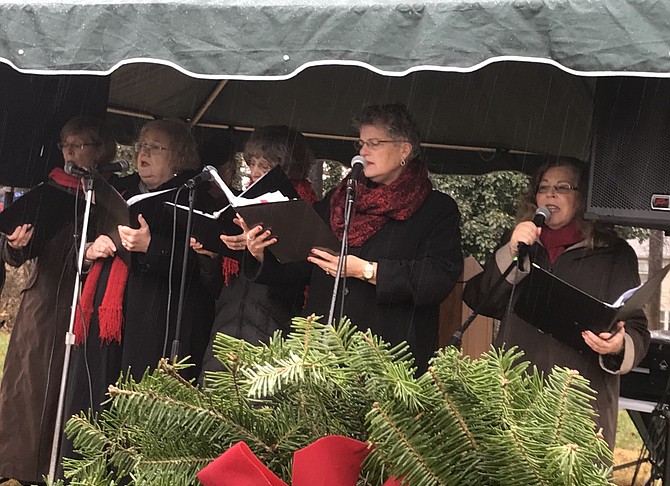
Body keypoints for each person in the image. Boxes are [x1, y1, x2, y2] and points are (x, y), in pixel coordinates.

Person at [243, 104, 464, 373]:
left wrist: (368, 271)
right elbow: (302, 265)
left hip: (389, 358)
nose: (363, 152)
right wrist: (261, 253)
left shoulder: (436, 209)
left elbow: (437, 279)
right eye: (361, 143)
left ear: (404, 150)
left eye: (374, 143)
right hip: (321, 353)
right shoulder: (338, 201)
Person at [463, 157, 650, 449]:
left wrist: (618, 346)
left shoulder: (614, 254)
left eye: (563, 187)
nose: (550, 194)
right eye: (543, 187)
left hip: (579, 405)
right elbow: (480, 300)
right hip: (514, 394)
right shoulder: (519, 244)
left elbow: (637, 328)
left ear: (583, 197)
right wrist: (512, 252)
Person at [61, 119, 214, 461]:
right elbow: (79, 249)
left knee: (135, 406)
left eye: (154, 148)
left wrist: (151, 246)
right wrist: (89, 251)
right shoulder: (118, 190)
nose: (142, 154)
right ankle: (86, 474)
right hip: (104, 316)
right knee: (93, 399)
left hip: (155, 319)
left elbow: (202, 267)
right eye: (141, 145)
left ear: (179, 155)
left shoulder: (195, 198)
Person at [0, 116, 116, 484]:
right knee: (30, 386)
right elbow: (20, 250)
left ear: (100, 149)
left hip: (90, 300)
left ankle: (66, 471)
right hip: (46, 299)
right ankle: (19, 471)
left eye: (78, 144)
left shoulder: (112, 192)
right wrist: (15, 245)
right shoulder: (50, 189)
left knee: (74, 389)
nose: (68, 151)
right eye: (65, 144)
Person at [196, 126, 318, 378]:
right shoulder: (239, 206)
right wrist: (210, 257)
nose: (253, 172)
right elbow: (217, 289)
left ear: (286, 167)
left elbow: (301, 283)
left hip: (274, 340)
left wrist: (262, 255)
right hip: (224, 338)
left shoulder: (307, 211)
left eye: (263, 165)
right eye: (251, 163)